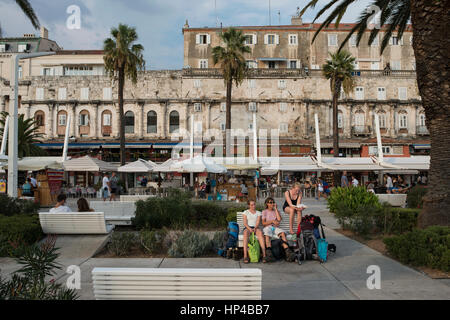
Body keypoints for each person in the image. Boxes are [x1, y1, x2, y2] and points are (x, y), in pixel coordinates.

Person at [261, 198, 296, 262]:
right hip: (268, 227)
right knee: (267, 234)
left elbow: (279, 219)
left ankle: (288, 252)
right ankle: (269, 254)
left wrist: (276, 209)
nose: (272, 204)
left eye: (273, 202)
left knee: (282, 233)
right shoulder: (264, 211)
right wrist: (272, 221)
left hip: (275, 228)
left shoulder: (276, 211)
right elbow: (263, 223)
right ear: (267, 204)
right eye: (270, 202)